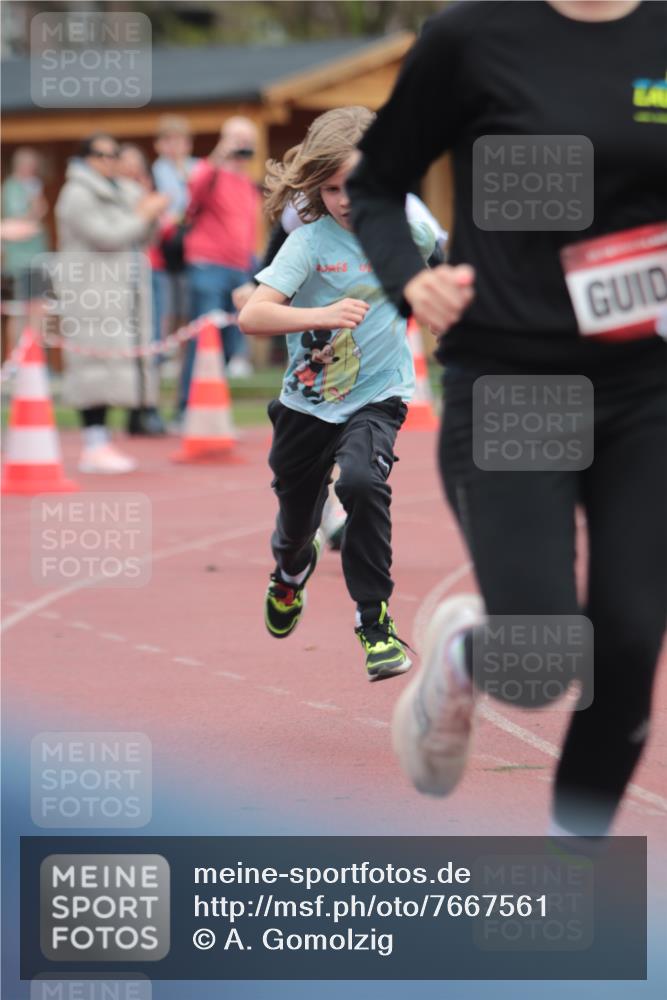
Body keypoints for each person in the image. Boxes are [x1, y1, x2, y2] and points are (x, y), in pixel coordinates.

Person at [348, 0, 667, 834]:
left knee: (630, 640)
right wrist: (409, 280)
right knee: (539, 661)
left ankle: (575, 870)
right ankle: (461, 658)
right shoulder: (472, 37)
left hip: (648, 387)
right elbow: (375, 184)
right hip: (514, 376)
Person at [239, 106, 435, 681]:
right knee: (296, 526)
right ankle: (289, 572)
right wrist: (320, 314)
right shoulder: (307, 243)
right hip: (306, 405)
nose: (345, 200)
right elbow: (253, 316)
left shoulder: (411, 233)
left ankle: (375, 623)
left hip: (379, 394)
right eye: (330, 188)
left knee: (361, 483)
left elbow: (433, 287)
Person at [54, 133, 168, 472]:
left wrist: (150, 213)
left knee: (113, 370)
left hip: (122, 294)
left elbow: (145, 237)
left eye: (113, 154)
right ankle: (94, 443)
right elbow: (107, 235)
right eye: (101, 154)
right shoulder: (76, 194)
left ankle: (104, 440)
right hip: (90, 292)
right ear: (85, 157)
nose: (109, 160)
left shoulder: (123, 191)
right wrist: (143, 214)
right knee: (92, 368)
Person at [179, 116, 261, 413]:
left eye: (248, 140)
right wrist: (221, 153)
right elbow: (193, 191)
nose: (243, 146)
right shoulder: (209, 171)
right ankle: (187, 408)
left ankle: (209, 407)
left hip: (240, 268)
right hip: (208, 266)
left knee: (230, 342)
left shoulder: (248, 184)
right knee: (205, 340)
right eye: (238, 139)